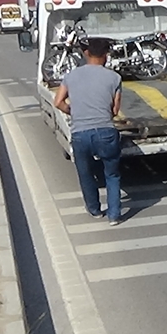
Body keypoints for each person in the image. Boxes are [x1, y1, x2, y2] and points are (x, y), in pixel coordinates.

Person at [52, 37, 124, 225]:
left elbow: (58, 102)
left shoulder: (71, 76)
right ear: (106, 55)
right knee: (112, 174)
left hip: (80, 133)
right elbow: (115, 110)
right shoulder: (114, 77)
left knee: (85, 173)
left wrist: (73, 111)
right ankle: (114, 215)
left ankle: (94, 209)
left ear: (86, 53)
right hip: (105, 132)